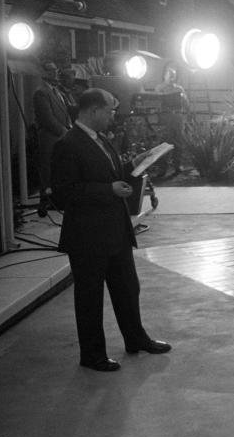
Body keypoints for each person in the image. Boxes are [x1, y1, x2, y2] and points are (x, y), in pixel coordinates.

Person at [51, 88, 172, 372]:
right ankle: (92, 355)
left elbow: (111, 174)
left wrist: (136, 163)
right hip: (88, 236)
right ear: (93, 110)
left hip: (114, 231)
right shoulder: (67, 144)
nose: (113, 116)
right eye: (109, 110)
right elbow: (63, 194)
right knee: (90, 297)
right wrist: (108, 190)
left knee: (128, 288)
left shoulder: (100, 139)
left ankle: (136, 338)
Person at [33, 62, 72, 199]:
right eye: (50, 70)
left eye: (56, 70)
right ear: (43, 72)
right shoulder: (41, 93)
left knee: (61, 167)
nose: (54, 73)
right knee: (48, 167)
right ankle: (48, 197)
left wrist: (70, 127)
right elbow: (47, 118)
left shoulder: (58, 92)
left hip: (62, 136)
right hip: (50, 137)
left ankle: (59, 194)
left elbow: (66, 113)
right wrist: (64, 132)